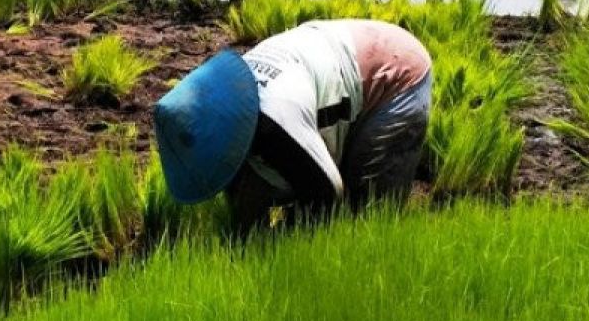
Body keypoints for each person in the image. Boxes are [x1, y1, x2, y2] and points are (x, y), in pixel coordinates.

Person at [154, 19, 432, 229]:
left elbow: (328, 195)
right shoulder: (224, 97)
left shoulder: (276, 122)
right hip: (332, 47)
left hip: (394, 72)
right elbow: (246, 193)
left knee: (367, 214)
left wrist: (287, 235)